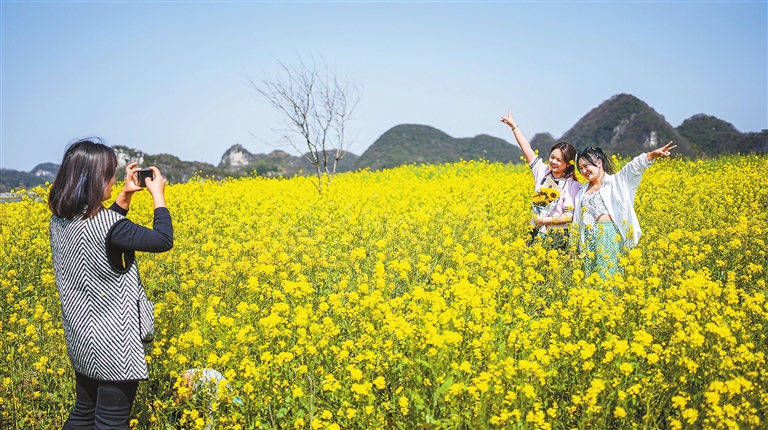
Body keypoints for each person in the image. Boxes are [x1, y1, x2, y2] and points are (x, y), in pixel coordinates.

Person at [48, 138, 173, 429]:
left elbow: (101, 236)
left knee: (83, 413)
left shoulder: (60, 221)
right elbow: (162, 240)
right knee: (111, 422)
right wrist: (158, 196)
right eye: (109, 174)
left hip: (82, 339)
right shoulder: (110, 227)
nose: (114, 180)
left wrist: (124, 197)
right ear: (94, 180)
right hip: (116, 345)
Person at [574, 142, 676, 280]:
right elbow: (577, 220)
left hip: (609, 235)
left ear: (598, 163)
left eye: (586, 166)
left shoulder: (617, 181)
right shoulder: (582, 191)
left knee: (608, 276)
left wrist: (653, 154)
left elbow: (634, 166)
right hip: (588, 237)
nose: (583, 171)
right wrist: (573, 247)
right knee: (590, 277)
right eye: (580, 168)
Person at [501, 110, 582, 250]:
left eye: (559, 160)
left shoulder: (572, 185)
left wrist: (544, 220)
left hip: (556, 234)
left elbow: (569, 216)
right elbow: (526, 148)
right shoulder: (542, 171)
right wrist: (514, 126)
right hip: (534, 229)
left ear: (568, 164)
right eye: (552, 157)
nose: (554, 162)